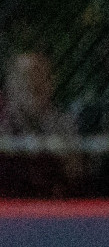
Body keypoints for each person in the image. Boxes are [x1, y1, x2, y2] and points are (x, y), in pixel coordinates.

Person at [0, 50, 85, 198]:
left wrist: (60, 151)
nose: (33, 82)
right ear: (11, 85)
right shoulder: (4, 122)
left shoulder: (61, 122)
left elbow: (75, 171)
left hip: (50, 203)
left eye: (40, 76)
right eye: (25, 77)